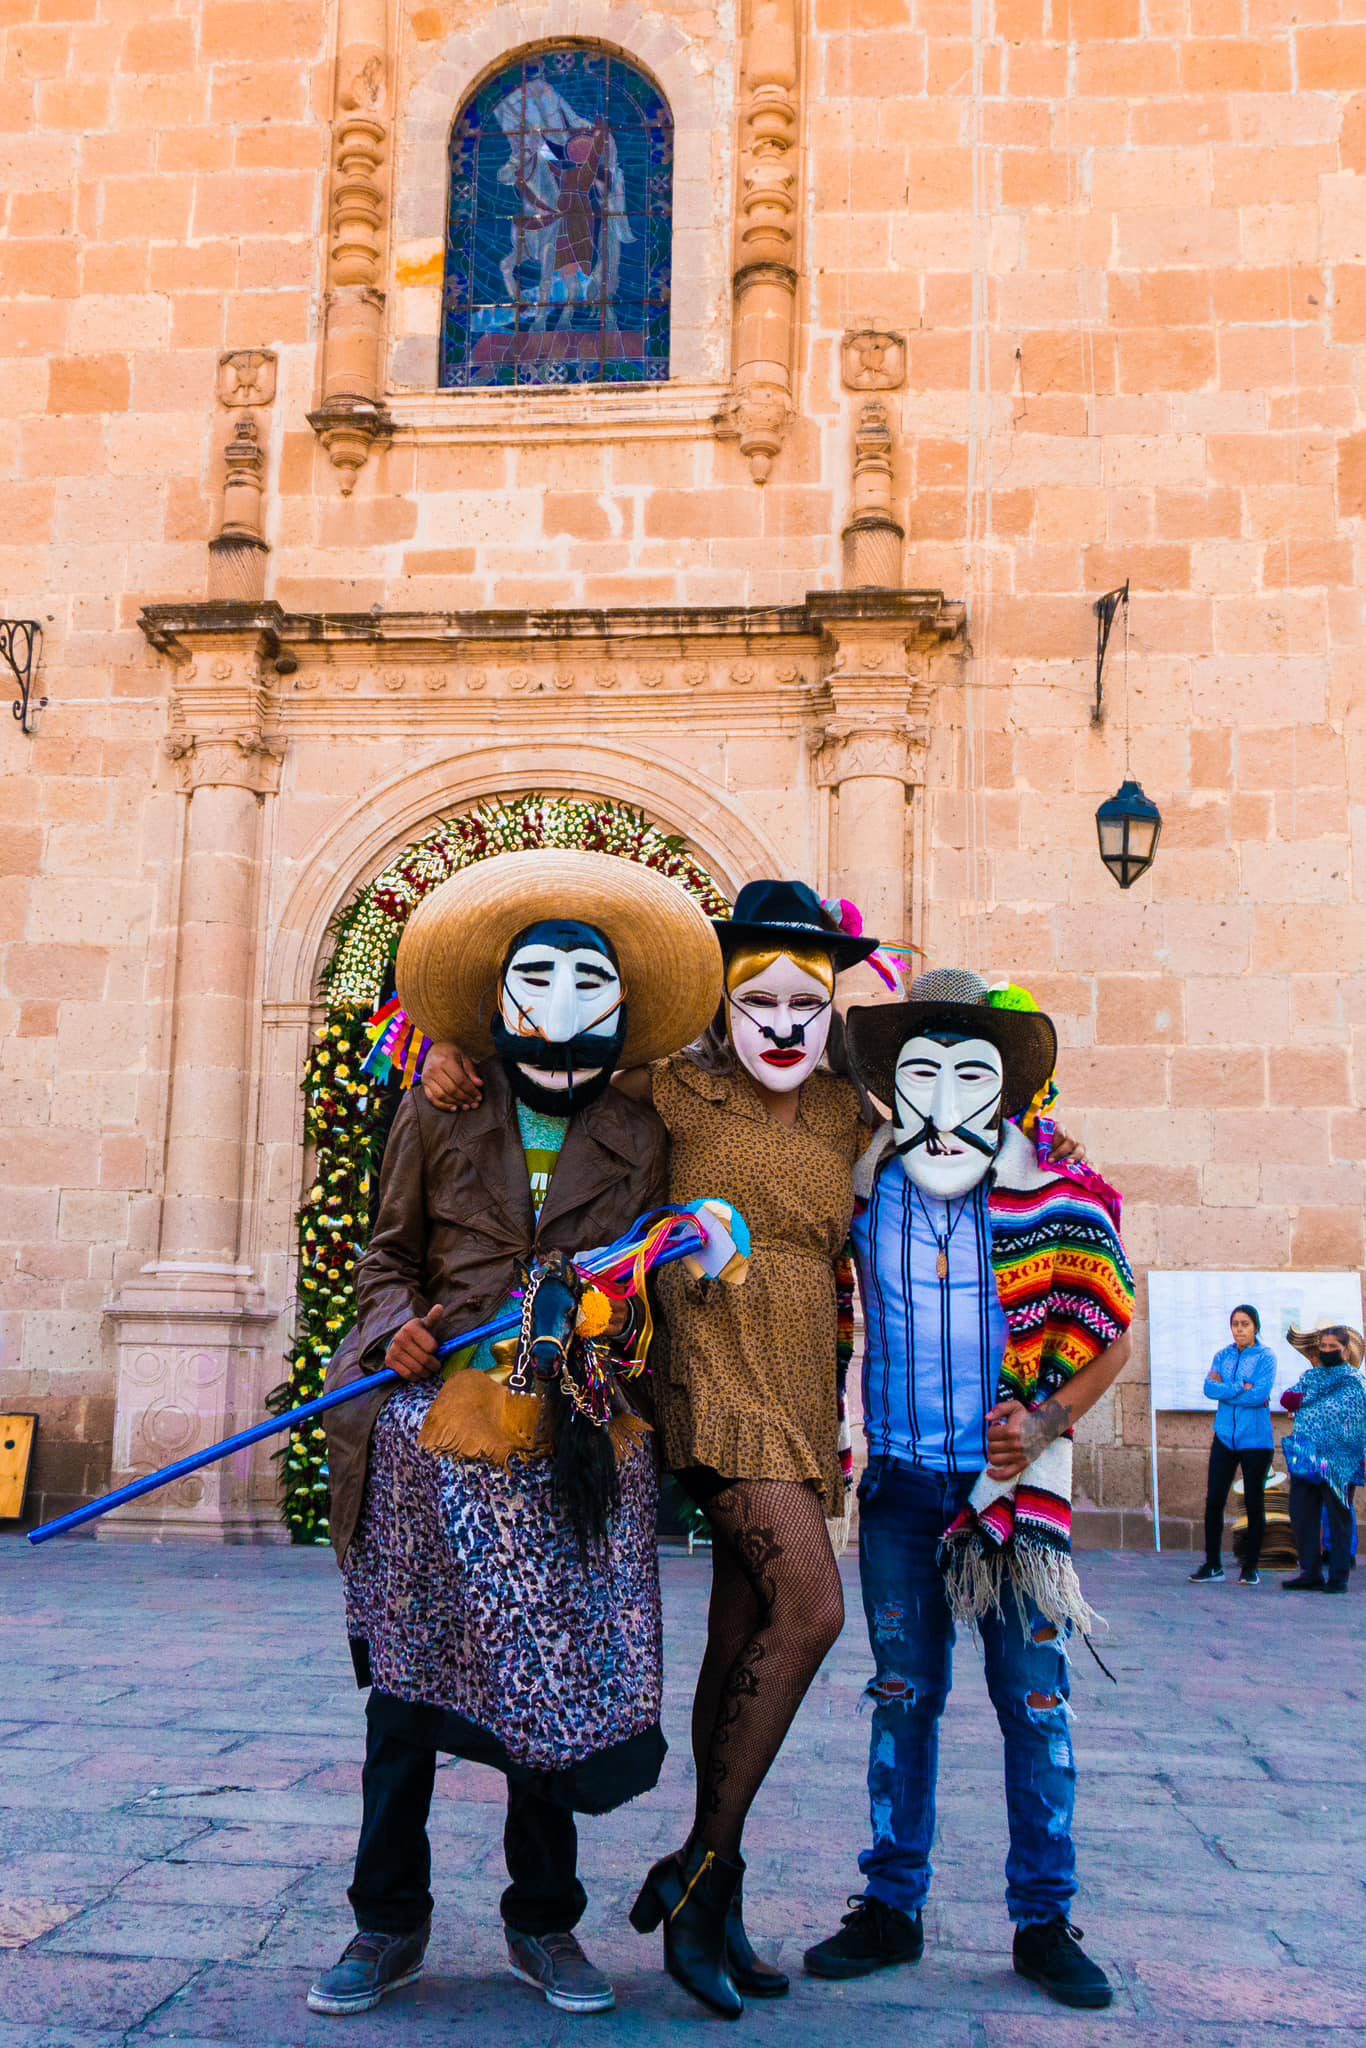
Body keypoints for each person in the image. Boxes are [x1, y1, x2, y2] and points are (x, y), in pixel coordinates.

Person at [308, 849, 722, 2021]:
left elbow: (663, 1265)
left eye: (587, 976)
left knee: (549, 1690)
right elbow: (387, 1255)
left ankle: (544, 1923)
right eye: (536, 973)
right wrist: (394, 1327)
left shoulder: (644, 1130)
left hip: (571, 1442)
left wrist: (618, 1332)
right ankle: (385, 1921)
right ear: (497, 992)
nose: (561, 993)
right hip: (432, 1441)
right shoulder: (439, 1104)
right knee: (407, 1686)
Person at [803, 969, 1134, 2013]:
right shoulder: (861, 1186)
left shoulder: (1056, 1191)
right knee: (902, 1694)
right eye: (922, 1068)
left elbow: (1110, 1323)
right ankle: (890, 1900)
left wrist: (1041, 1420)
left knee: (1035, 1702)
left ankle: (1044, 1916)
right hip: (901, 1482)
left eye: (967, 1068)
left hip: (1012, 1497)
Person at [1188, 1304, 1276, 1587]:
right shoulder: (1222, 1356)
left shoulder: (1266, 1357)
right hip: (1225, 1436)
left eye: (1245, 1324)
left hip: (1256, 1441)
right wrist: (1241, 1387)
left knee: (1253, 1501)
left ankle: (1250, 1567)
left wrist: (1228, 1390)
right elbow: (1209, 1388)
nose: (1239, 1329)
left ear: (1256, 1327)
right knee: (1214, 1500)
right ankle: (1213, 1564)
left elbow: (1260, 1395)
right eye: (1236, 1324)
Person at [1279, 1321, 1366, 1595]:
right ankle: (1310, 1572)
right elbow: (1287, 1399)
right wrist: (1308, 1399)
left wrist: (1308, 1400)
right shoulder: (1312, 1376)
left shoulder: (1355, 1380)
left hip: (1339, 1462)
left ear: (1344, 1349)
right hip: (1307, 1457)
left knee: (1339, 1519)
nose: (1327, 1350)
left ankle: (1338, 1576)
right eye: (1324, 1346)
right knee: (1302, 1514)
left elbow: (1341, 1410)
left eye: (1333, 1347)